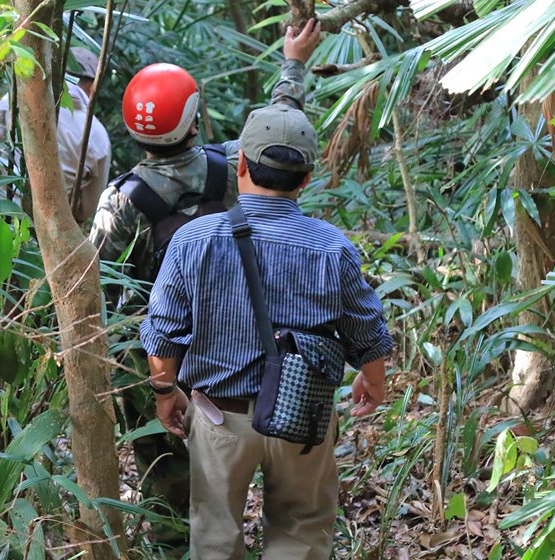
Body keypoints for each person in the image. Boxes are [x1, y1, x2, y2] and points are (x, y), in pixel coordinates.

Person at [88, 20, 322, 548]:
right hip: (231, 333)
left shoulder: (121, 202)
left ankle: (177, 546)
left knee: (167, 470)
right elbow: (281, 135)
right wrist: (293, 61)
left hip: (153, 350)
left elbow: (97, 284)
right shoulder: (233, 167)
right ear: (194, 121)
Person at [139, 99, 394, 559]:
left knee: (215, 536)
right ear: (307, 178)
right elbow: (367, 329)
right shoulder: (331, 246)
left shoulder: (195, 239)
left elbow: (163, 331)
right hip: (305, 414)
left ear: (240, 164)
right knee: (301, 529)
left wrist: (165, 393)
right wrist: (372, 381)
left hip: (220, 416)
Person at [0, 46, 110, 222]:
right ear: (91, 85)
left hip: (0, 212)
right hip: (55, 226)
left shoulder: (15, 100)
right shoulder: (97, 134)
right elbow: (88, 206)